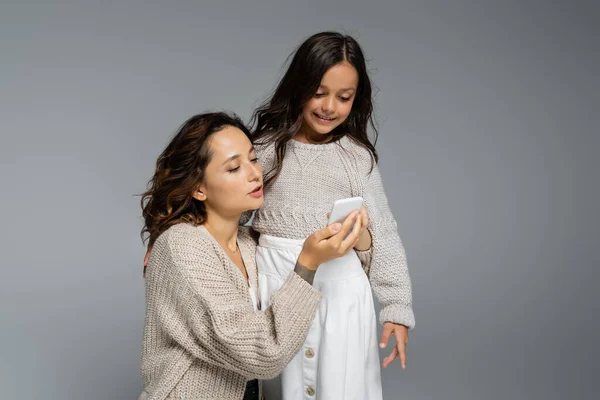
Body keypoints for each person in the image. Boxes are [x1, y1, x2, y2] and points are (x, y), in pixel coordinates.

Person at [138, 112, 364, 400]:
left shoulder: (248, 242)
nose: (254, 174)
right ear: (198, 188)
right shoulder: (182, 246)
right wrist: (308, 263)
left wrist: (360, 235)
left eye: (254, 159)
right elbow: (264, 354)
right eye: (234, 168)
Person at [245, 31, 416, 399]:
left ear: (357, 99)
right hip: (278, 287)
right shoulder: (264, 149)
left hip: (341, 293)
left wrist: (397, 309)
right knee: (282, 385)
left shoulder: (357, 158)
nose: (330, 107)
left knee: (341, 384)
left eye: (344, 97)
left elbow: (383, 233)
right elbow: (227, 213)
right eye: (319, 92)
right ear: (298, 86)